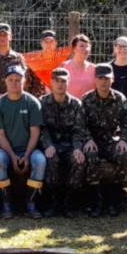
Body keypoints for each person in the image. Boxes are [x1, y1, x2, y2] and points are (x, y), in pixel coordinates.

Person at [83, 63, 127, 217]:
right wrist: (88, 139)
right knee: (90, 156)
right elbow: (80, 125)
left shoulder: (119, 98)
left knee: (122, 155)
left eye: (107, 78)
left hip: (110, 140)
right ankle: (97, 200)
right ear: (95, 80)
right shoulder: (86, 99)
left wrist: (122, 139)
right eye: (100, 78)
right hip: (92, 141)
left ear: (112, 79)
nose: (103, 82)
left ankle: (113, 197)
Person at [0, 65, 45, 219]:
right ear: (5, 82)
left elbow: (35, 133)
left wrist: (27, 156)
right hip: (8, 149)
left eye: (18, 79)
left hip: (30, 149)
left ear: (24, 81)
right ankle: (6, 204)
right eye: (11, 79)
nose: (14, 83)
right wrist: (13, 156)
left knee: (40, 161)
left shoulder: (32, 103)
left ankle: (31, 204)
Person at [40, 68, 90, 218]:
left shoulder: (76, 104)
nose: (60, 84)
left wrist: (77, 148)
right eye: (57, 81)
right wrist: (48, 145)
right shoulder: (42, 102)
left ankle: (69, 201)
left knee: (78, 161)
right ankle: (52, 201)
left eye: (63, 81)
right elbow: (41, 129)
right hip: (51, 145)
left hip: (69, 145)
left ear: (69, 83)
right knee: (50, 160)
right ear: (51, 83)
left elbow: (78, 130)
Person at [62, 34, 97, 98]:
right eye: (81, 46)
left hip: (87, 106)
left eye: (87, 46)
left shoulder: (94, 69)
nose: (85, 49)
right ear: (73, 49)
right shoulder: (63, 67)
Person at [20, 29, 53, 98]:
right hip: (36, 101)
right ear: (41, 43)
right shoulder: (34, 62)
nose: (48, 44)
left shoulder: (61, 64)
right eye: (46, 42)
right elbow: (27, 85)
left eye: (51, 42)